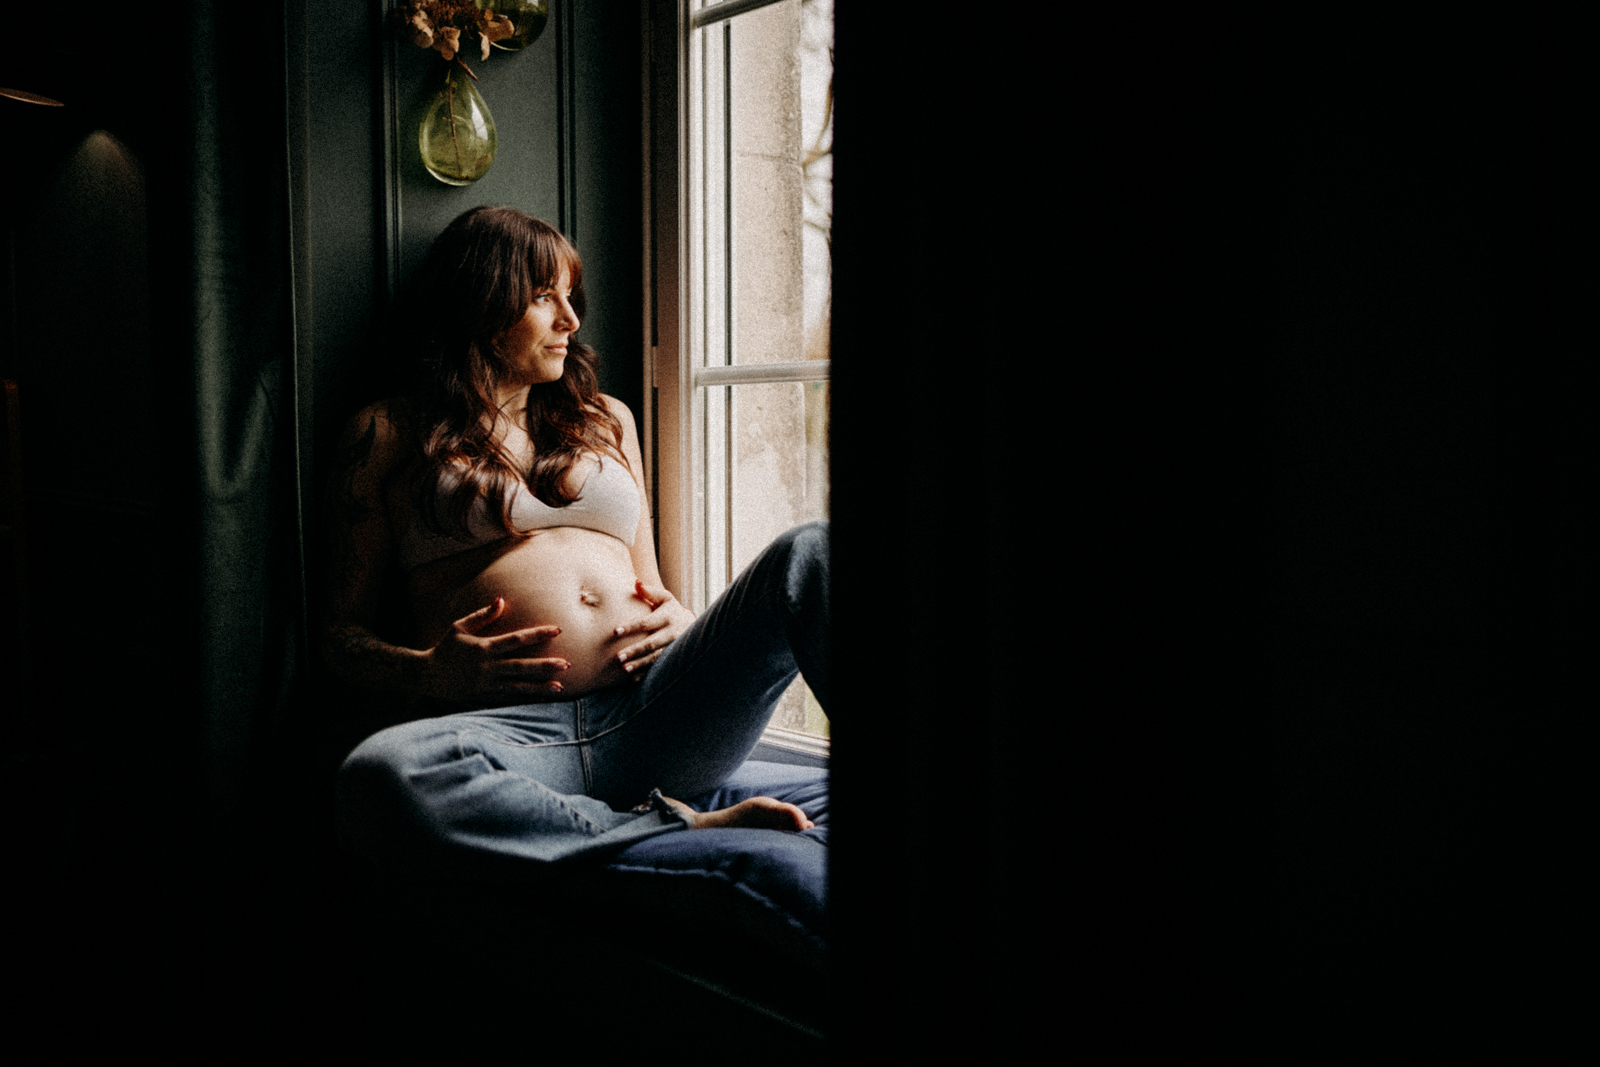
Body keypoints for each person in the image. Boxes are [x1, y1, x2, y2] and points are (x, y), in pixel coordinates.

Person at [328, 206, 829, 874]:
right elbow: (338, 635)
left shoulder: (608, 420)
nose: (571, 319)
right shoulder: (387, 431)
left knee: (811, 553)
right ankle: (669, 824)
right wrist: (428, 669)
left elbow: (649, 581)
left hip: (657, 714)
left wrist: (681, 618)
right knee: (379, 771)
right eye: (544, 297)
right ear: (482, 300)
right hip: (511, 734)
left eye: (571, 296)